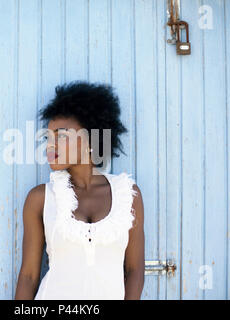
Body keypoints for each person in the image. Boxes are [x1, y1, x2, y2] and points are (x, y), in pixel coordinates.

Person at [15, 80, 144, 300]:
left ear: (90, 139)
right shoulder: (40, 198)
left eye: (61, 136)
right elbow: (28, 276)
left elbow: (134, 271)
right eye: (48, 137)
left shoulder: (127, 194)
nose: (50, 145)